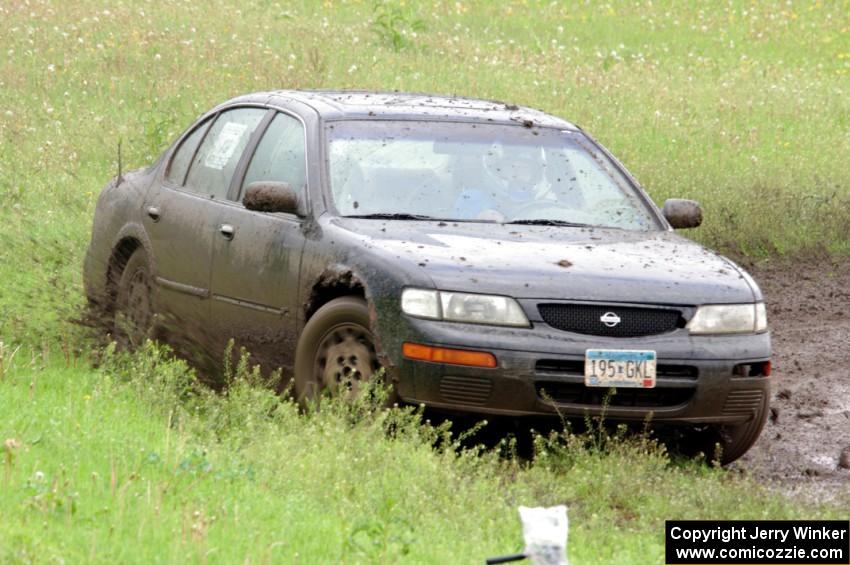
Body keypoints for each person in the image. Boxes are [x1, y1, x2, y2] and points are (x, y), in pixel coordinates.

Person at [453, 144, 545, 221]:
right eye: (511, 167)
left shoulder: (544, 203)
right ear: (496, 171)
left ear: (535, 175)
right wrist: (478, 218)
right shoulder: (472, 199)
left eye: (524, 168)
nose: (516, 173)